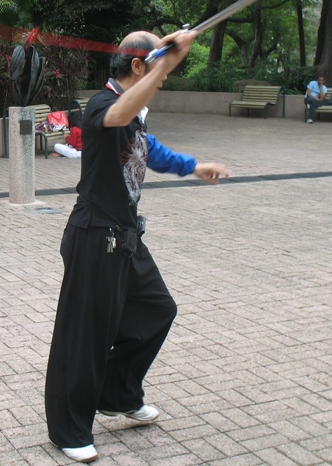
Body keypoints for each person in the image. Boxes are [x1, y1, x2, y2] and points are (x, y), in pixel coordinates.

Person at [44, 29, 230, 463]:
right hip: (94, 237)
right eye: (158, 71)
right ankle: (68, 429)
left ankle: (117, 391)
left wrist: (193, 166)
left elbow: (147, 149)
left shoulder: (134, 114)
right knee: (86, 338)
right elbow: (119, 116)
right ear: (138, 67)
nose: (164, 80)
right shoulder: (101, 104)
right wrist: (167, 60)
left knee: (157, 310)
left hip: (125, 238)